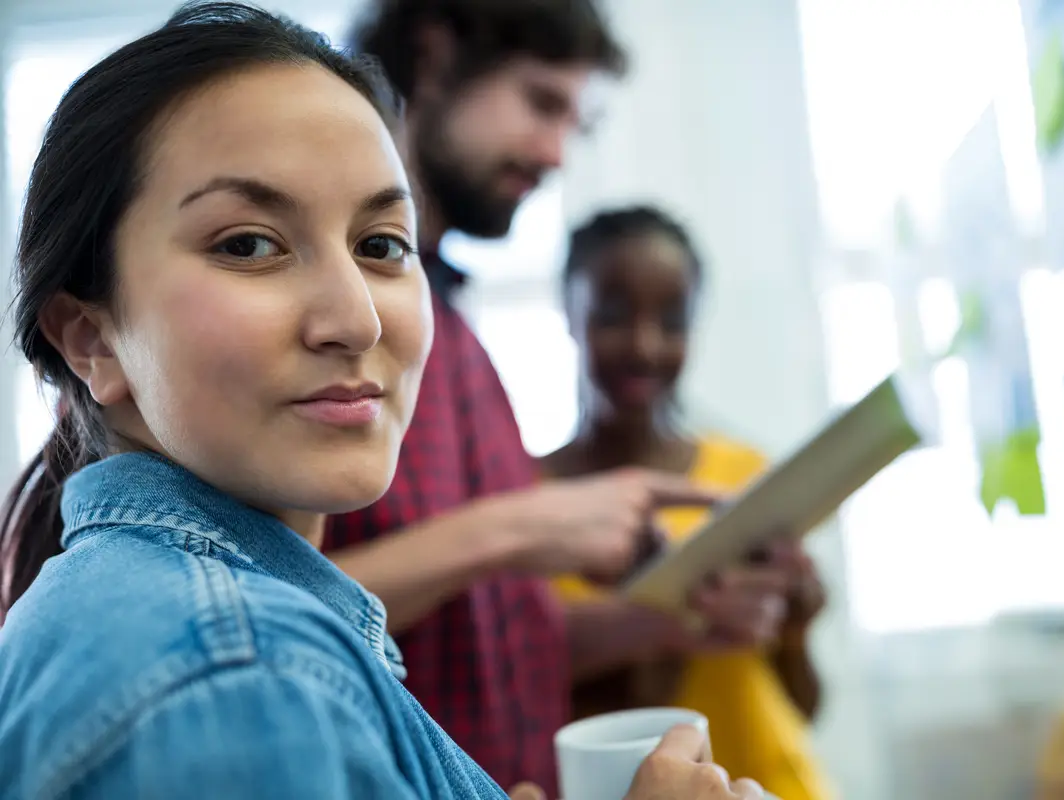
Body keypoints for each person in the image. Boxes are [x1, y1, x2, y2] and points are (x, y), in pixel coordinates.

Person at [0, 5, 767, 799]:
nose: (359, 318)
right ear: (90, 338)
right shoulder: (233, 671)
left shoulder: (216, 640)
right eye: (249, 244)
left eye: (382, 245)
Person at [323, 1, 812, 793]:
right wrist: (526, 527)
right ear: (437, 55)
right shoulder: (339, 329)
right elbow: (268, 610)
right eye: (541, 102)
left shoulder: (459, 342)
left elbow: (484, 644)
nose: (555, 153)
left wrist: (674, 620)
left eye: (572, 122)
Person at [543, 206, 839, 800]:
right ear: (569, 314)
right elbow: (550, 717)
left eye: (673, 321)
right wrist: (662, 619)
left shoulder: (742, 478)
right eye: (613, 315)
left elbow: (803, 705)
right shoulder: (529, 507)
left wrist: (798, 626)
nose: (644, 345)